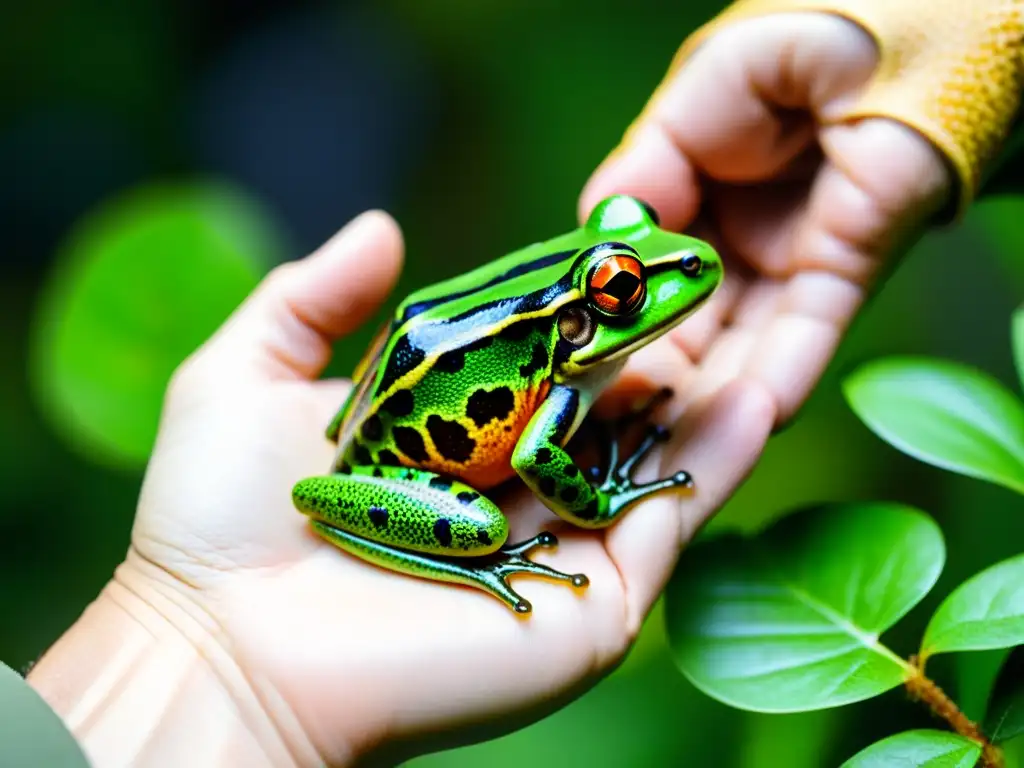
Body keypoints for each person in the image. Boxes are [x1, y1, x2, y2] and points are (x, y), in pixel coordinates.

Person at [13, 1, 1023, 765]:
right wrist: (189, 621)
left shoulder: (586, 348)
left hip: (429, 378)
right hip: (403, 462)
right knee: (491, 526)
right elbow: (538, 455)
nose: (670, 273)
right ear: (587, 311)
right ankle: (471, 559)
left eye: (626, 264)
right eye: (627, 286)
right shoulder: (560, 383)